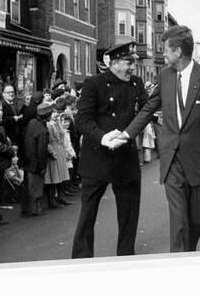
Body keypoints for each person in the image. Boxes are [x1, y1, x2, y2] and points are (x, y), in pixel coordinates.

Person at [119, 26, 200, 252]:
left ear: (178, 51)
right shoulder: (165, 76)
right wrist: (126, 134)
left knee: (195, 223)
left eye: (166, 50)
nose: (163, 54)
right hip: (172, 161)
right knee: (178, 222)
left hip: (198, 164)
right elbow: (149, 109)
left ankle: (189, 255)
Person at [71, 41, 148, 258]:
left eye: (133, 62)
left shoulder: (136, 84)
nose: (132, 67)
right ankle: (81, 263)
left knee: (129, 216)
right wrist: (103, 137)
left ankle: (125, 260)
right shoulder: (94, 83)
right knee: (87, 216)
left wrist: (127, 135)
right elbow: (82, 119)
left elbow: (146, 111)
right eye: (128, 62)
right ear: (113, 63)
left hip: (126, 158)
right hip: (97, 158)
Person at [19, 103, 53, 216]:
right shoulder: (43, 130)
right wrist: (42, 166)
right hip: (36, 163)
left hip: (27, 160)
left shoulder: (31, 123)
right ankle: (35, 209)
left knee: (28, 186)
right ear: (48, 115)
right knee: (36, 186)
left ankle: (27, 208)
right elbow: (42, 151)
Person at [44, 102, 72, 208]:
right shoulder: (48, 124)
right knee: (53, 176)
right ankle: (52, 200)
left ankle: (60, 197)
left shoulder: (56, 123)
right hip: (53, 150)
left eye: (56, 112)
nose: (55, 114)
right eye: (53, 112)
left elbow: (62, 135)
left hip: (60, 149)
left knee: (61, 175)